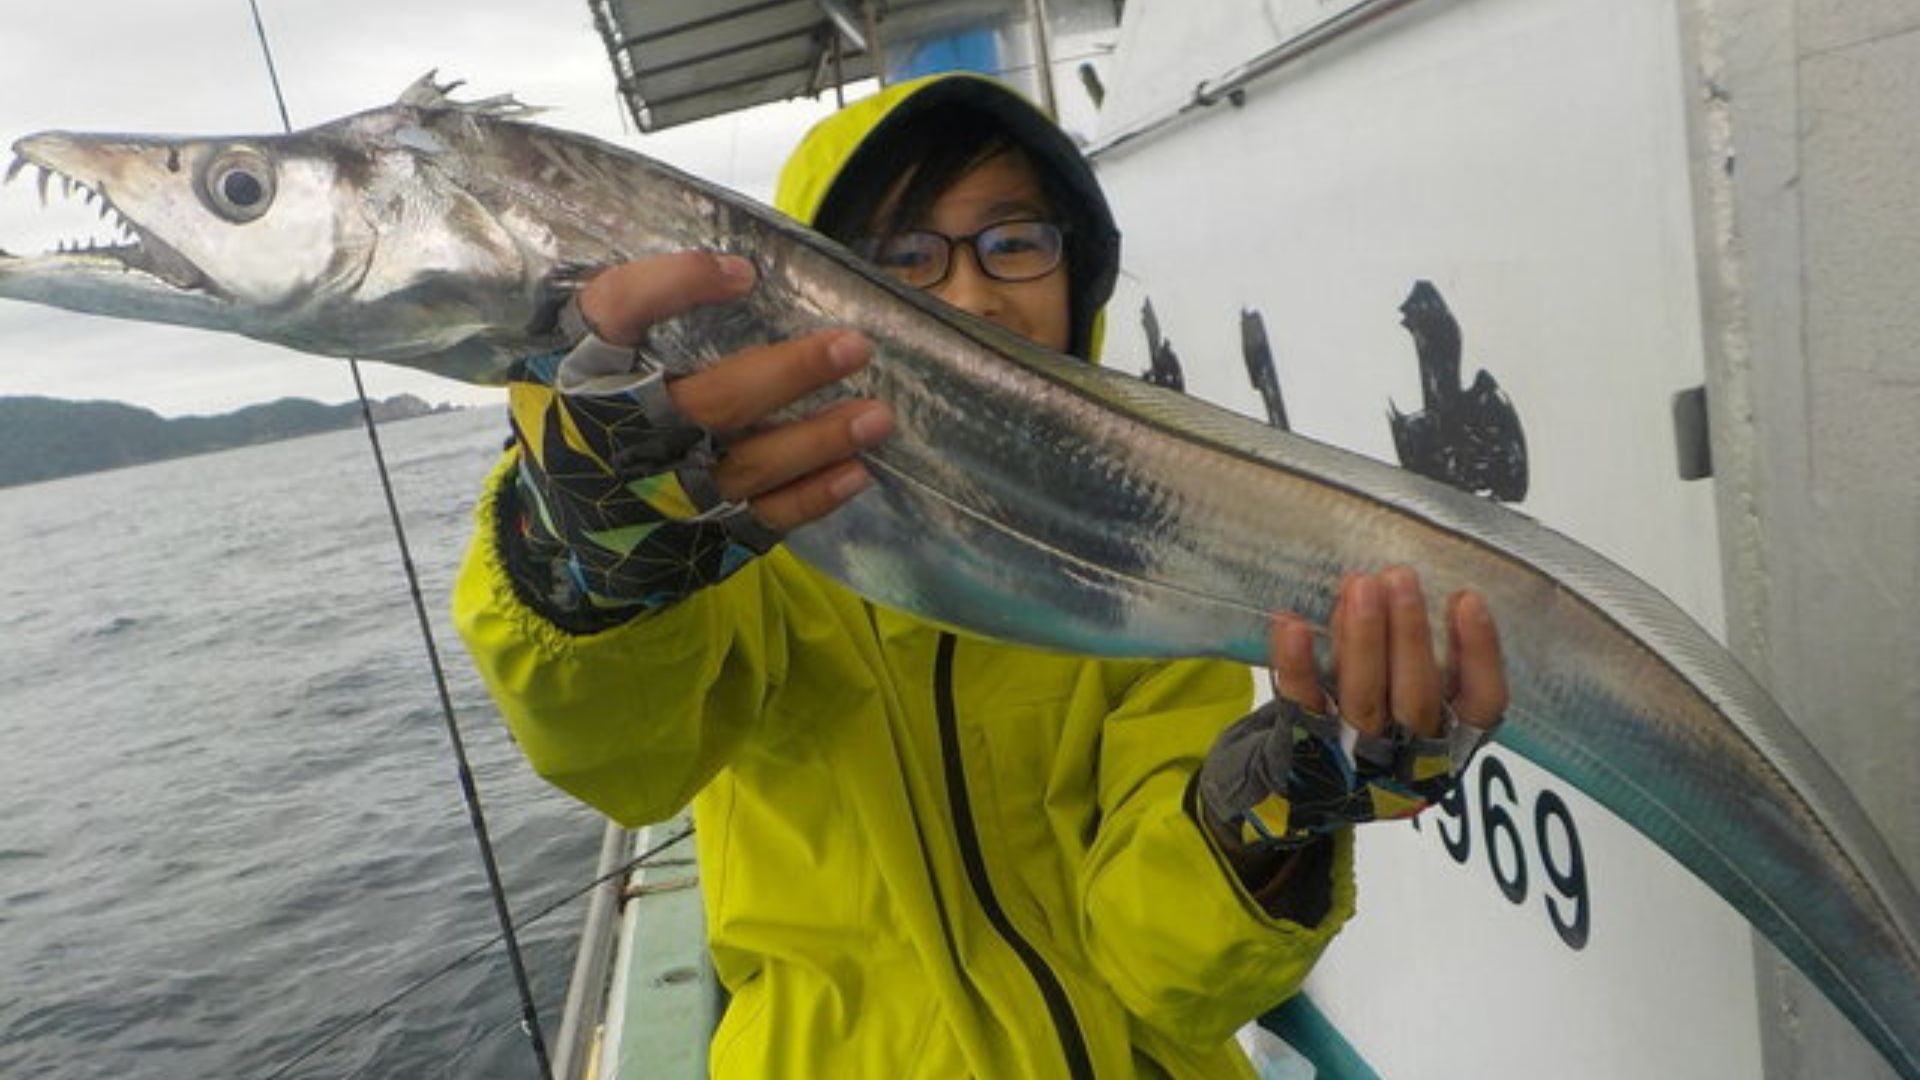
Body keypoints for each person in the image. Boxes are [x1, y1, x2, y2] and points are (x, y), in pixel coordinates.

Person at [453, 72, 1507, 1079]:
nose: (970, 293)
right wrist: (581, 564)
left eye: (1013, 242)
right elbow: (620, 757)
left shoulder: (1143, 562)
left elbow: (1167, 977)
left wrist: (1266, 824)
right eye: (902, 256)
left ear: (1076, 274)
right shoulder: (733, 532)